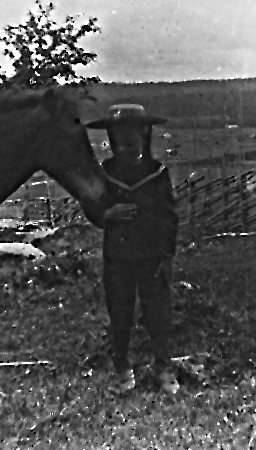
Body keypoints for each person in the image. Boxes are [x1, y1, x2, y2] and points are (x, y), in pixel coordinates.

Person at [86, 104, 180, 394]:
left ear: (144, 136)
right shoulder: (104, 174)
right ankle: (122, 367)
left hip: (151, 256)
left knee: (157, 312)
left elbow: (169, 218)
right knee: (120, 312)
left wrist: (165, 255)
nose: (126, 145)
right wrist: (107, 215)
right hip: (118, 256)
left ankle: (163, 366)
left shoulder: (157, 174)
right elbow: (91, 205)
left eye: (133, 138)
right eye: (120, 139)